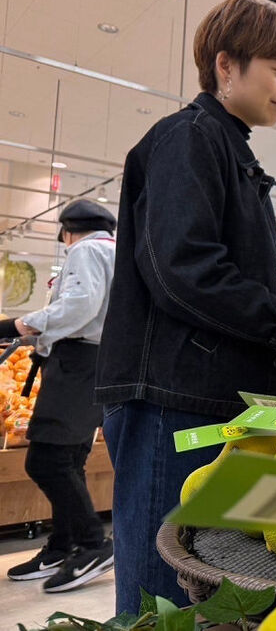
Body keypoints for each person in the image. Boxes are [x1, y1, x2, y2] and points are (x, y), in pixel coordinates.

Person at [95, 0, 276, 614]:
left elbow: (239, 272)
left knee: (201, 577)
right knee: (164, 593)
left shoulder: (231, 151)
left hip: (203, 395)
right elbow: (183, 271)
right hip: (169, 402)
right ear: (227, 65)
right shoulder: (187, 139)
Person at [3, 199, 116, 593]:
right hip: (98, 364)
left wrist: (18, 323)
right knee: (70, 459)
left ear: (67, 231)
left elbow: (80, 306)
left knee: (47, 460)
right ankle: (61, 545)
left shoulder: (85, 250)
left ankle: (91, 544)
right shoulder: (114, 252)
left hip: (77, 363)